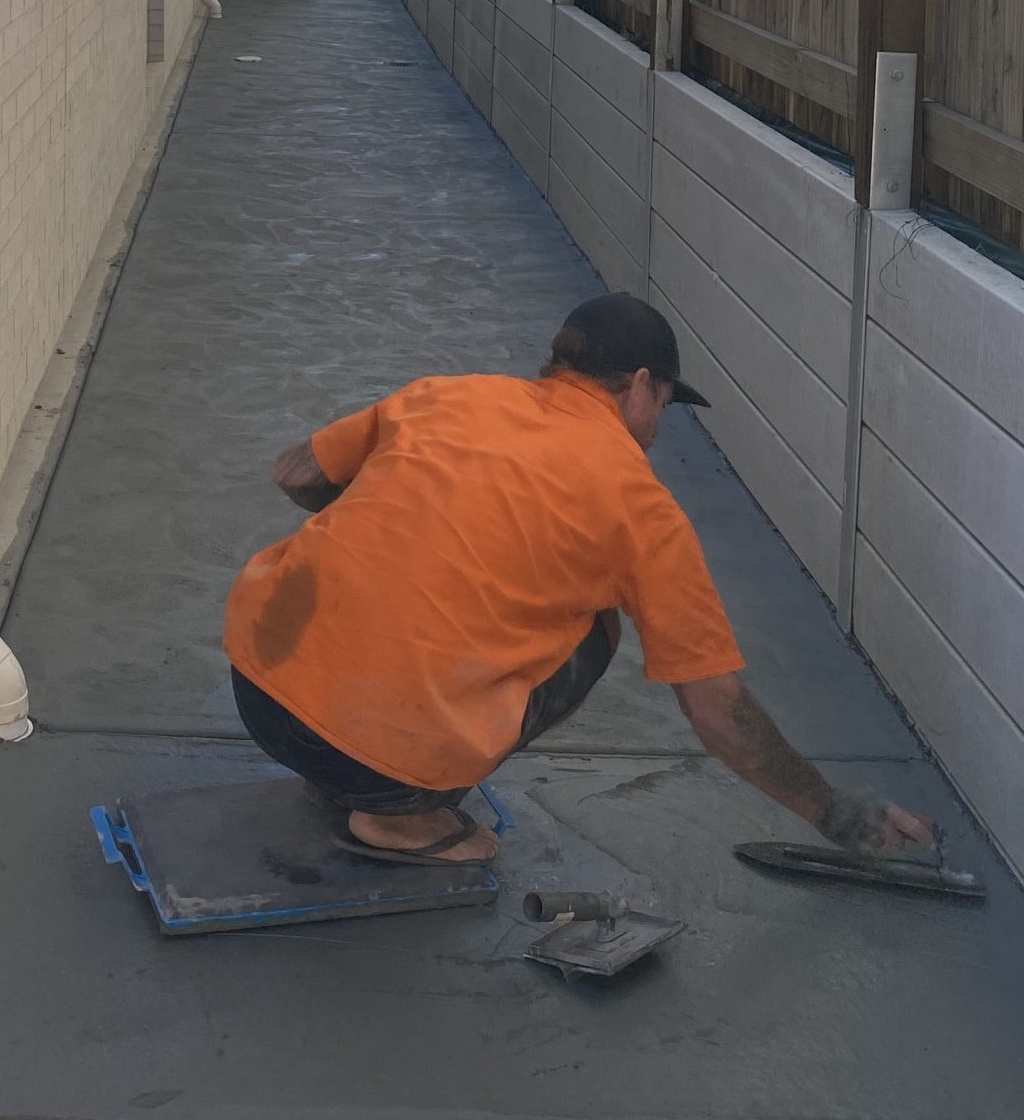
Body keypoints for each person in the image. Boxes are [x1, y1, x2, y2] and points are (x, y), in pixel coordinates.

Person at [223, 289, 936, 866]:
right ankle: (399, 820)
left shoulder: (451, 395)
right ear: (641, 387)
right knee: (593, 626)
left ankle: (351, 752)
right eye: (661, 406)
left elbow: (297, 474)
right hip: (382, 765)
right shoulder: (641, 507)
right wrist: (835, 812)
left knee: (369, 550)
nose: (657, 424)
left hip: (257, 688)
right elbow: (716, 708)